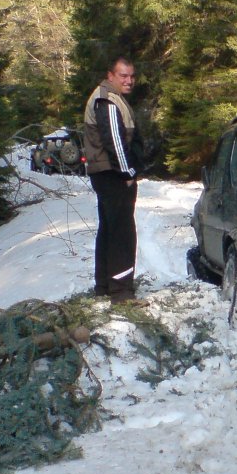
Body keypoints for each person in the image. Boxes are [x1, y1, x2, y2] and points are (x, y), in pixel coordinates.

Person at [82, 57, 145, 305]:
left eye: (131, 76)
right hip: (112, 175)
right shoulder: (106, 100)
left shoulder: (110, 97)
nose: (129, 80)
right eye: (123, 76)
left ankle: (105, 286)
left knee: (109, 228)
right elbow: (115, 143)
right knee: (122, 232)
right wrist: (128, 172)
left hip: (107, 173)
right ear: (111, 75)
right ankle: (121, 292)